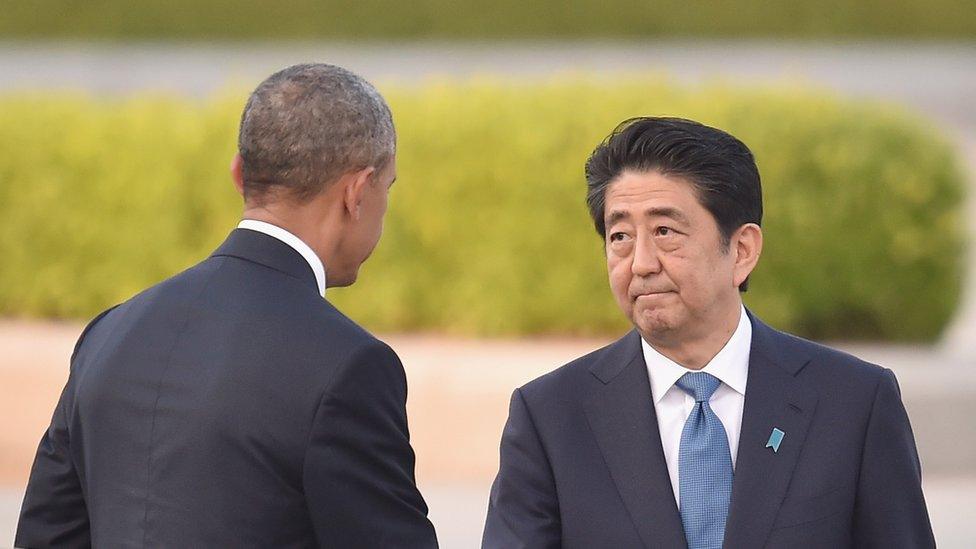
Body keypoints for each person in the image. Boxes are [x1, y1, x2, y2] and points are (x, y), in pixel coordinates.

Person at [17, 63, 438, 548]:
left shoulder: (109, 333)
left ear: (239, 174)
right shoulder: (348, 366)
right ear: (357, 192)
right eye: (388, 187)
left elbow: (46, 537)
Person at [482, 117, 934, 548]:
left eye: (665, 231)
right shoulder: (552, 416)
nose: (640, 263)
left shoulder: (854, 402)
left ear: (741, 250)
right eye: (619, 236)